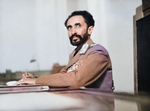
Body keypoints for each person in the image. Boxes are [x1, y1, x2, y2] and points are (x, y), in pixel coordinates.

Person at [16, 10, 113, 91]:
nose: (73, 31)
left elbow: (76, 80)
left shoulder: (99, 52)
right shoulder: (75, 54)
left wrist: (36, 81)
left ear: (90, 30)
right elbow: (63, 77)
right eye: (69, 27)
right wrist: (35, 79)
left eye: (78, 25)